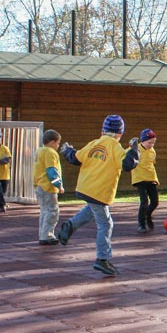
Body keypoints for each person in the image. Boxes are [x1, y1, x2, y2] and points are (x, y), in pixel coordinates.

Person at [56, 115, 139, 276]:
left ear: (102, 131)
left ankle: (70, 225)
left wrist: (67, 150)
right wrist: (134, 149)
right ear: (120, 134)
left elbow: (76, 157)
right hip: (99, 191)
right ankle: (102, 259)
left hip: (86, 187)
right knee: (106, 224)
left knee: (91, 210)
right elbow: (128, 164)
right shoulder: (116, 147)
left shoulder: (94, 143)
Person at [33, 129, 65, 245]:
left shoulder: (39, 151)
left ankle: (42, 233)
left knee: (44, 211)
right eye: (57, 143)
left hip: (39, 185)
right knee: (52, 211)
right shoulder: (51, 153)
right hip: (48, 186)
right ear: (52, 142)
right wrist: (59, 185)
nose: (58, 145)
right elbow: (51, 170)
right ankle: (47, 235)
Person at [131, 128, 160, 233]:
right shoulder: (136, 149)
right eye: (149, 142)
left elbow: (151, 164)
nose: (151, 144)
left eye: (153, 142)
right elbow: (125, 156)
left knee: (155, 202)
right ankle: (141, 224)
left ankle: (147, 215)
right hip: (140, 179)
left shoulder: (152, 151)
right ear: (142, 141)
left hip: (151, 178)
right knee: (144, 202)